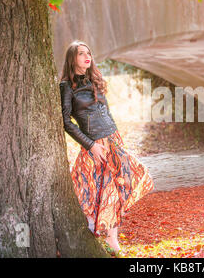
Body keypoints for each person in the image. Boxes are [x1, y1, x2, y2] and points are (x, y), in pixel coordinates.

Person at [59, 40, 154, 255]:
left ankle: (110, 235)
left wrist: (116, 140)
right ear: (72, 58)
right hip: (94, 142)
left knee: (126, 180)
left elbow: (106, 112)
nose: (87, 56)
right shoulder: (66, 86)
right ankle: (100, 229)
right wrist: (91, 145)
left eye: (88, 52)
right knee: (96, 186)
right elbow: (66, 122)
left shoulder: (95, 79)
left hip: (112, 138)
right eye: (81, 53)